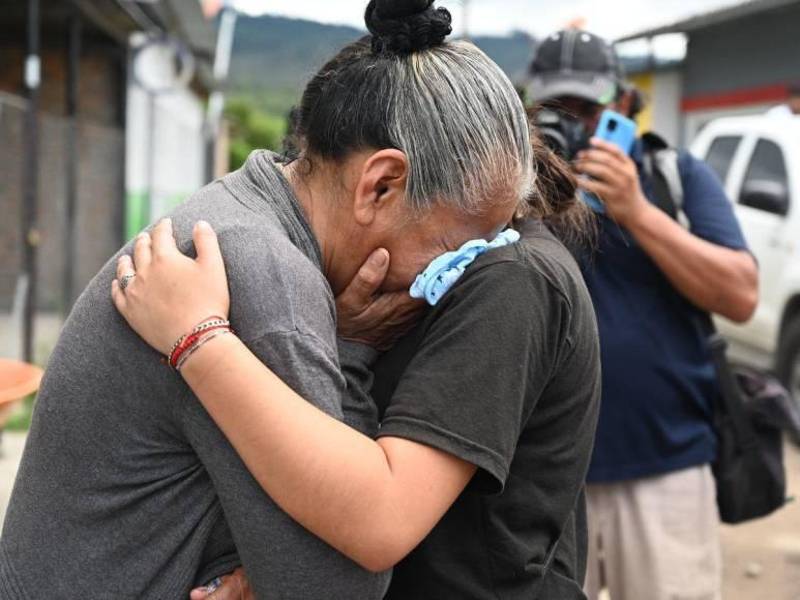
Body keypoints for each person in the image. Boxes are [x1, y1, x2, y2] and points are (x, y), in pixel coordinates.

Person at [0, 2, 536, 597]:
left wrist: (350, 346)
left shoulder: (243, 209)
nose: (450, 280)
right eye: (451, 250)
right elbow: (337, 588)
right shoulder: (265, 284)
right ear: (380, 185)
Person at [113, 126, 601, 600]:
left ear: (385, 184)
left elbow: (382, 519)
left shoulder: (513, 283)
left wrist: (196, 339)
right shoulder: (473, 268)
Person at [526, 29, 759, 600]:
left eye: (588, 108)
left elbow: (741, 295)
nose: (572, 126)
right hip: (545, 475)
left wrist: (637, 212)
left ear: (625, 106)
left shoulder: (673, 176)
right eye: (556, 110)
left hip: (665, 467)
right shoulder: (513, 189)